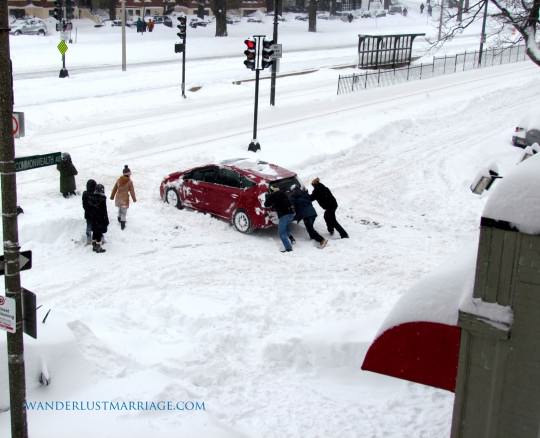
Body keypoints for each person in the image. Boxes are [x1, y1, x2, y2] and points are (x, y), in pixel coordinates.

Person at [264, 185, 295, 253]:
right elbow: (281, 202)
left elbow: (266, 204)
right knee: (285, 227)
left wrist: (268, 196)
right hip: (292, 214)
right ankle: (292, 239)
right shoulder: (283, 193)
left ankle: (288, 248)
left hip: (284, 215)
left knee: (281, 233)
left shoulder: (274, 195)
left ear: (272, 191)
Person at [110, 165, 137, 230]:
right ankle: (122, 224)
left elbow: (114, 188)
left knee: (120, 208)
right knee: (124, 212)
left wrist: (112, 196)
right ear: (128, 174)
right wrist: (134, 198)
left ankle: (119, 218)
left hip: (118, 198)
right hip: (124, 199)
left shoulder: (119, 180)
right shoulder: (130, 182)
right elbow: (132, 191)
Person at [87, 184, 109, 253]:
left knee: (95, 232)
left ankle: (94, 245)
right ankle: (98, 247)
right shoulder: (102, 199)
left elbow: (89, 209)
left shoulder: (90, 198)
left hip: (93, 218)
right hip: (100, 218)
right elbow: (104, 211)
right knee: (99, 233)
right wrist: (106, 220)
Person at [82, 179, 97, 245]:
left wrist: (87, 210)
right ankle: (99, 238)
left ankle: (88, 239)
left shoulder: (85, 194)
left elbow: (84, 205)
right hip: (95, 214)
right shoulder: (96, 194)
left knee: (88, 227)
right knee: (97, 226)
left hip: (88, 214)